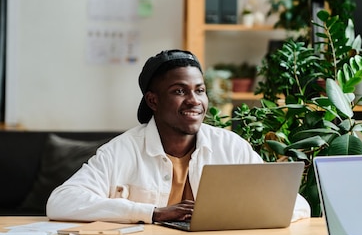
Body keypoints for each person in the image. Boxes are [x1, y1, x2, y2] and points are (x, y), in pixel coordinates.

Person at [47, 49, 311, 223]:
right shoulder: (122, 150)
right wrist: (152, 213)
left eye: (200, 90)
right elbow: (61, 202)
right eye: (179, 91)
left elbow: (298, 206)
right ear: (153, 100)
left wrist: (234, 214)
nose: (194, 101)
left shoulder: (231, 147)